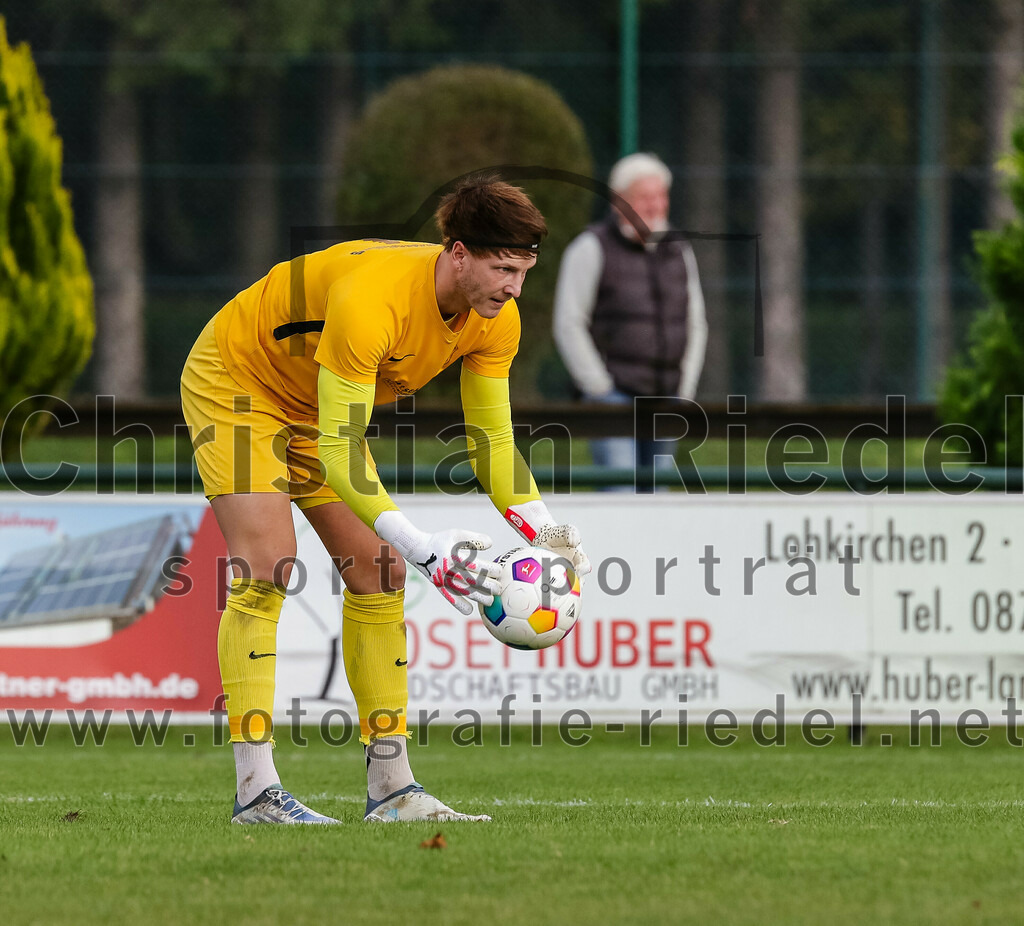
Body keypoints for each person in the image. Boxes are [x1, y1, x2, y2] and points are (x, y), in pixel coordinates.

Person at [180, 177, 591, 824]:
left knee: (379, 570)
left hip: (314, 404)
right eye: (502, 269)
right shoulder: (375, 302)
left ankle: (392, 790)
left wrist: (547, 532)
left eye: (524, 271)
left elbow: (490, 441)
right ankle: (256, 791)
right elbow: (341, 451)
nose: (514, 288)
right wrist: (427, 548)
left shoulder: (495, 319)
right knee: (267, 563)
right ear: (457, 253)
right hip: (238, 381)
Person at [553, 152, 708, 488]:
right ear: (619, 201)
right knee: (619, 492)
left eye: (660, 196)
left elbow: (696, 323)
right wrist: (600, 388)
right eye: (644, 197)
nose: (655, 206)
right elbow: (568, 323)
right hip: (615, 400)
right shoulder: (590, 248)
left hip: (667, 397)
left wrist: (685, 389)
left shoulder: (680, 250)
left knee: (659, 495)